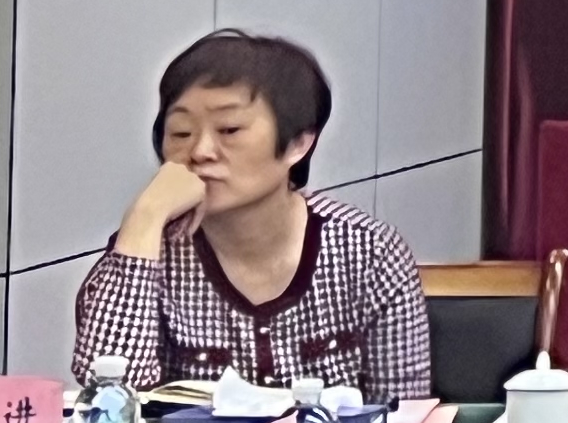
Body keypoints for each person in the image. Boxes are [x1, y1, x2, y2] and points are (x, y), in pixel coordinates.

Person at [74, 29, 431, 402]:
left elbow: (405, 420)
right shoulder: (146, 251)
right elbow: (107, 404)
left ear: (298, 143)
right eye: (180, 133)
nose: (200, 151)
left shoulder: (370, 252)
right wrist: (146, 215)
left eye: (229, 130)